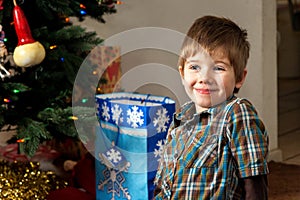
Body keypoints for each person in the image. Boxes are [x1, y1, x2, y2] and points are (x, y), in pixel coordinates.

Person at [153, 15, 269, 199]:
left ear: (239, 78)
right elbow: (163, 186)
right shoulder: (180, 119)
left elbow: (254, 183)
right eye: (195, 67)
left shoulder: (237, 113)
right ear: (182, 72)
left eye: (218, 68)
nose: (205, 77)